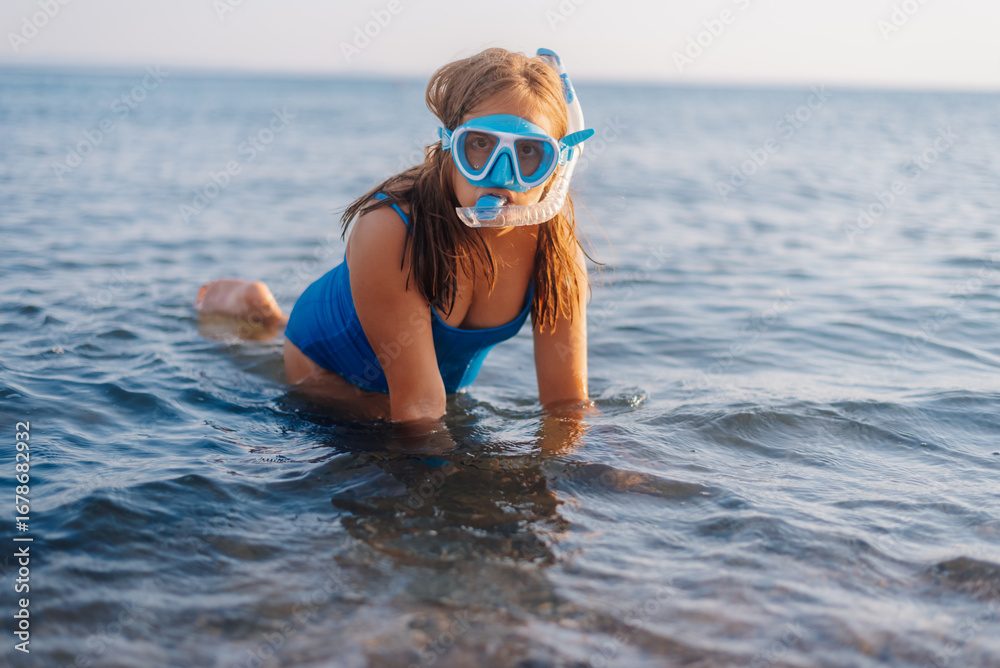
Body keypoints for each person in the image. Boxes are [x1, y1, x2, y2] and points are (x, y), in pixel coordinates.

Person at [195, 48, 595, 427]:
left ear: (556, 168)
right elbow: (419, 408)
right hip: (327, 374)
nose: (501, 175)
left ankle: (264, 316)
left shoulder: (554, 249)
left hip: (427, 393)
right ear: (448, 145)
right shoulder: (390, 229)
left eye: (529, 153)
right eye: (479, 145)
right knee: (389, 430)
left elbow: (567, 403)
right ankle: (257, 311)